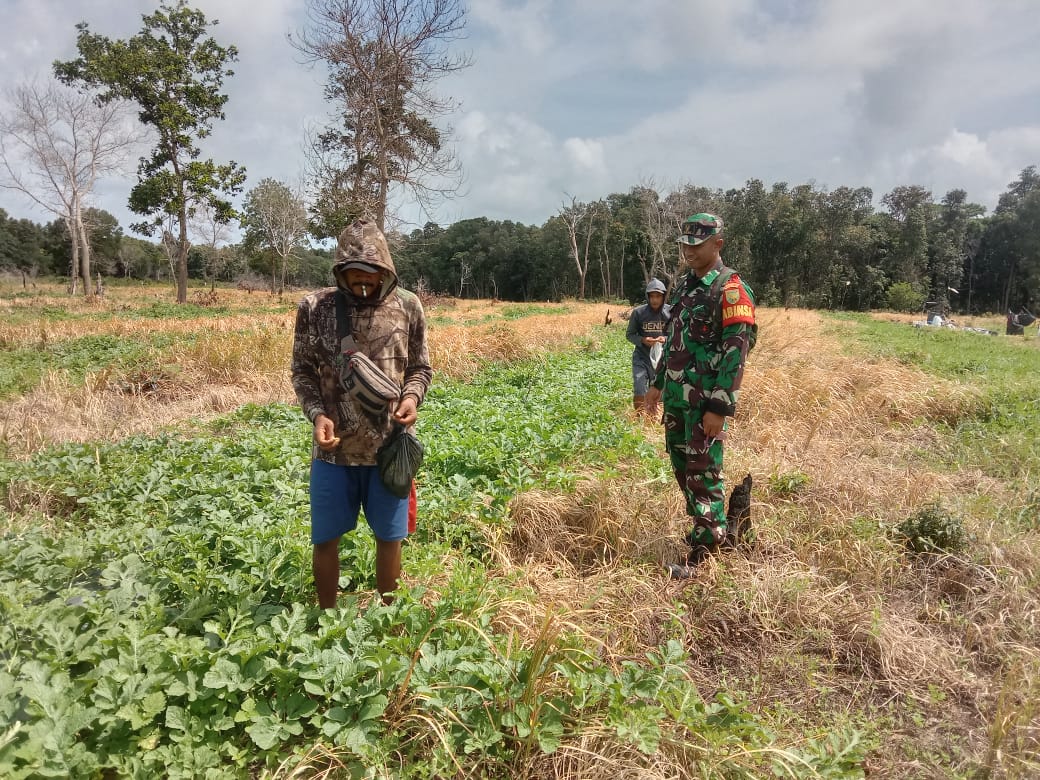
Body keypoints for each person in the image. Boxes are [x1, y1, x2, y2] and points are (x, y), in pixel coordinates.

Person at [291, 220, 433, 607]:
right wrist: (318, 415)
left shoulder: (408, 306)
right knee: (325, 539)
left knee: (390, 539)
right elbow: (302, 371)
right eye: (354, 279)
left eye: (370, 278)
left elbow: (420, 368)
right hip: (333, 454)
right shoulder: (315, 308)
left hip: (389, 451)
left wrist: (411, 399)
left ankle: (387, 619)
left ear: (386, 272)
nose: (364, 286)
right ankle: (326, 618)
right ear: (340, 273)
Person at [644, 213, 756, 579]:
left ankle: (705, 557)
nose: (688, 251)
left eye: (696, 245)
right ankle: (708, 529)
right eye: (684, 245)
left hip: (704, 405)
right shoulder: (685, 288)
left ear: (717, 244)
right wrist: (657, 384)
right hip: (678, 401)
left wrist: (719, 408)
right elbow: (675, 342)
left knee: (704, 474)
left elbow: (735, 353)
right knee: (684, 471)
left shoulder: (730, 290)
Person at [626, 278, 670, 414]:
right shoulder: (638, 313)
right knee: (639, 385)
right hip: (642, 357)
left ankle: (653, 419)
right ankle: (638, 415)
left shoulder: (670, 312)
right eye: (652, 296)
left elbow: (676, 334)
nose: (655, 300)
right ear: (648, 296)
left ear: (663, 296)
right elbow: (630, 334)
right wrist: (643, 340)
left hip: (662, 358)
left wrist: (665, 338)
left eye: (658, 296)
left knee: (659, 389)